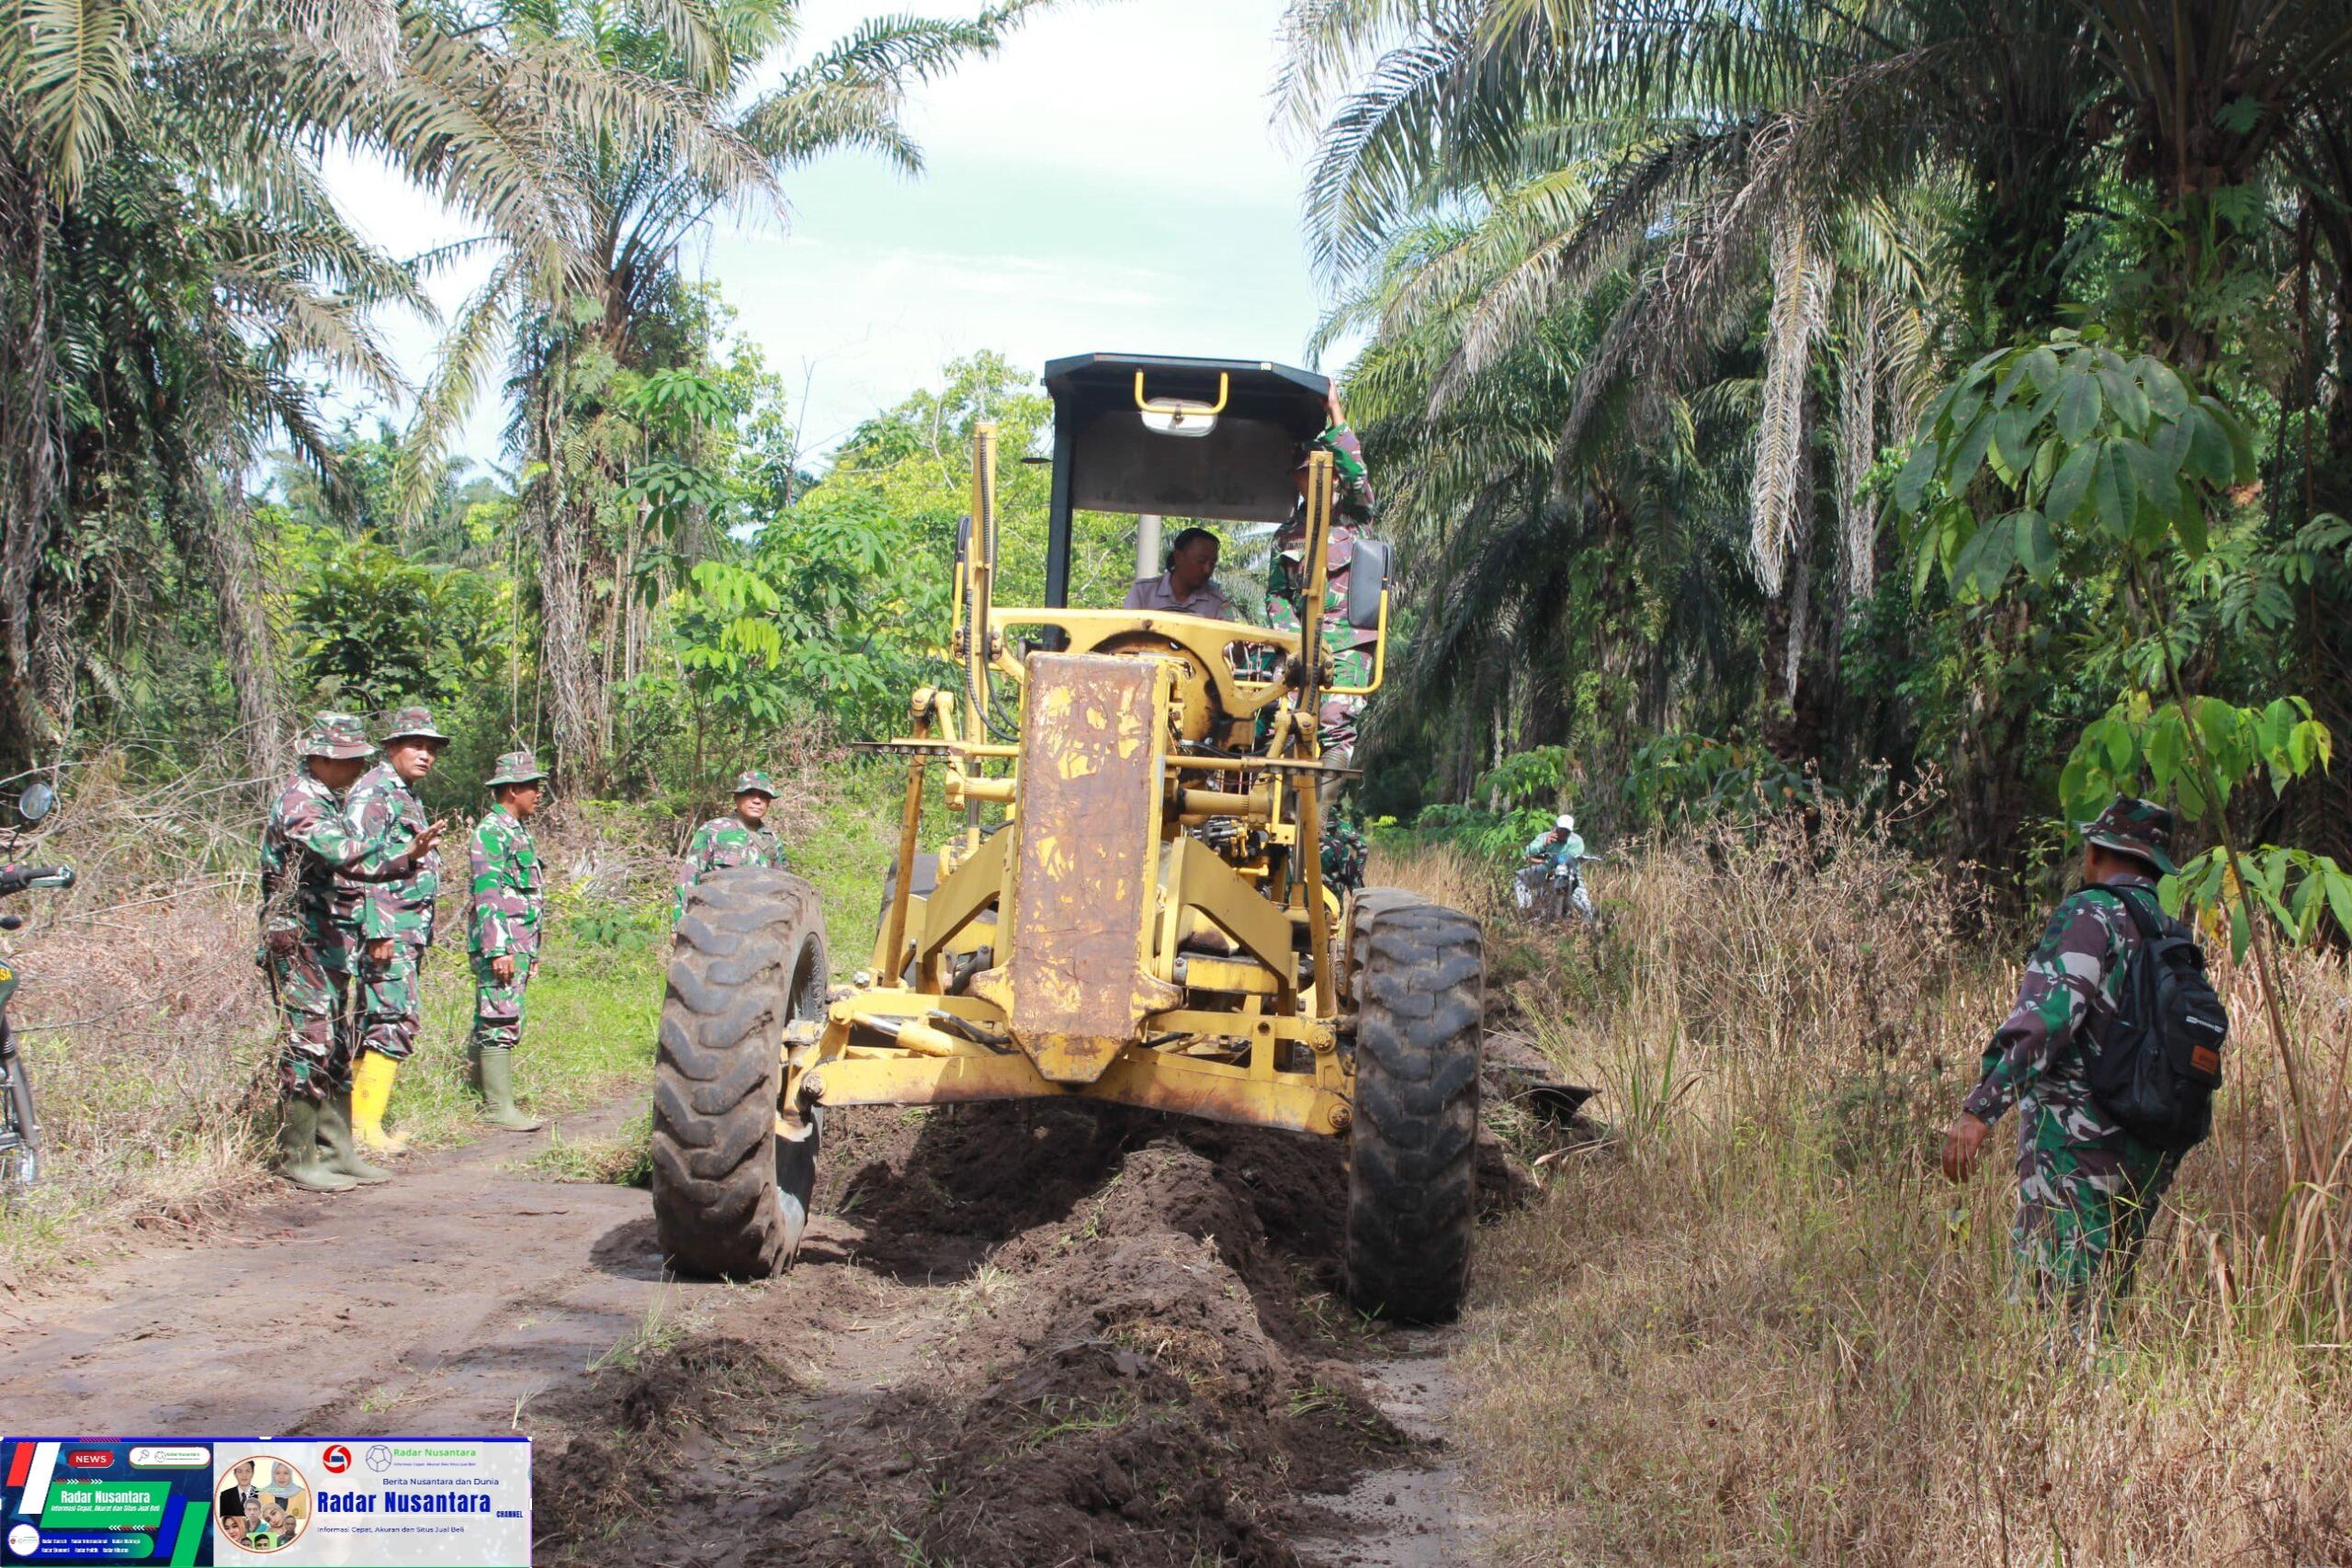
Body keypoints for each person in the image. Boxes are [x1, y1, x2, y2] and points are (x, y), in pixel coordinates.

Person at [1939, 796, 2193, 1325]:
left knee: (2055, 1313)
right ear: (2155, 868)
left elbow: (2048, 1020)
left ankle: (2070, 1381)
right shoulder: (2170, 934)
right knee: (2105, 1311)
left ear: (2096, 852)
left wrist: (1980, 1110)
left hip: (2075, 1148)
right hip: (2148, 1149)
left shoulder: (2089, 913)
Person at [257, 715, 441, 1192]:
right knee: (308, 1043)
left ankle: (338, 1152)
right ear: (322, 758)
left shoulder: (329, 797)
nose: (360, 766)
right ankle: (297, 1157)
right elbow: (342, 853)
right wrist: (404, 856)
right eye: (351, 759)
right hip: (300, 939)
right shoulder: (300, 801)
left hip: (330, 938)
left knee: (337, 1044)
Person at [344, 706, 449, 1156]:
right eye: (416, 746)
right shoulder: (375, 792)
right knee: (392, 1019)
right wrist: (378, 930)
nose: (426, 755)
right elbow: (360, 864)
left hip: (405, 928)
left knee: (377, 1019)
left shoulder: (402, 793)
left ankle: (356, 1124)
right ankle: (364, 1128)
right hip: (387, 930)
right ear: (392, 749)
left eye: (431, 749)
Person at [469, 750, 548, 1132]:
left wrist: (532, 950)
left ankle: (481, 1096)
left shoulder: (516, 831)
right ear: (512, 789)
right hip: (502, 944)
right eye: (532, 786)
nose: (538, 794)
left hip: (519, 943)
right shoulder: (492, 831)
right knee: (498, 1017)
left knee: (502, 1014)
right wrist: (499, 948)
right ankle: (498, 1108)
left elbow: (527, 896)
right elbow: (488, 893)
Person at [674, 770, 788, 920]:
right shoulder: (713, 831)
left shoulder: (772, 840)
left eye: (763, 796)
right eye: (750, 794)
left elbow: (783, 888)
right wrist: (680, 923)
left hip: (760, 923)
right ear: (736, 798)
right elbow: (689, 878)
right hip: (716, 921)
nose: (757, 801)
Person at [1123, 526, 1232, 619]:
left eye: (1212, 563)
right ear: (1178, 557)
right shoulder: (1142, 592)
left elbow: (1230, 636)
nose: (1207, 569)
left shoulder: (1220, 604)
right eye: (1201, 561)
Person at [1520, 814, 1594, 923]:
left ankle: (1588, 924)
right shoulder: (1544, 837)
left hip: (1571, 874)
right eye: (1561, 830)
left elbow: (1568, 858)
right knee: (1520, 879)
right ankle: (1526, 912)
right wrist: (1544, 844)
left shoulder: (1576, 841)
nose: (1563, 833)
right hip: (1548, 871)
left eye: (1566, 831)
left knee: (1584, 905)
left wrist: (1547, 858)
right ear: (1555, 828)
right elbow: (1527, 852)